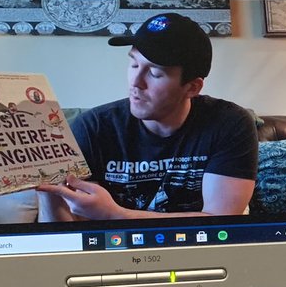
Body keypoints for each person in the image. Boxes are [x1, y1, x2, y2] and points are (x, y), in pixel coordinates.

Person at [38, 13, 258, 220]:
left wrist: (115, 214)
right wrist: (46, 187)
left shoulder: (229, 124)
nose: (135, 82)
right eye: (133, 64)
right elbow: (69, 234)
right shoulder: (92, 127)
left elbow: (220, 223)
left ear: (192, 87)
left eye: (154, 73)